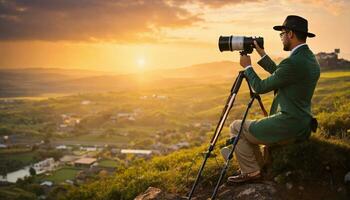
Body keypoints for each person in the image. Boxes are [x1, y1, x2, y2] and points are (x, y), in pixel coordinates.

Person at [226, 15, 320, 183]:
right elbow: (283, 75)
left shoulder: (292, 62)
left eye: (282, 34)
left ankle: (252, 172)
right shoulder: (309, 59)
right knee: (248, 128)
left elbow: (260, 87)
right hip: (303, 123)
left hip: (288, 124)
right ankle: (261, 167)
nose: (282, 38)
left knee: (236, 127)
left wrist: (247, 66)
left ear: (290, 34)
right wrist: (262, 54)